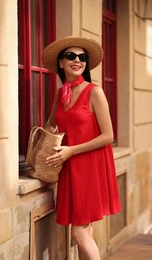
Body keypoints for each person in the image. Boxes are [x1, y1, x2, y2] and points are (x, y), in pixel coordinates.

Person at [42, 36, 121, 260]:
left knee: (78, 232)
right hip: (69, 167)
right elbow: (52, 123)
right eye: (71, 56)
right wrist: (42, 137)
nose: (77, 60)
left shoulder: (95, 92)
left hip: (90, 167)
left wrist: (70, 150)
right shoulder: (60, 94)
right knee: (85, 231)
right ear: (61, 63)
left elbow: (108, 136)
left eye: (82, 57)